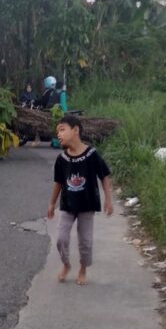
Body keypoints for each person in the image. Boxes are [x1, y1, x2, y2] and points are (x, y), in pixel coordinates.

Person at [47, 114, 113, 285]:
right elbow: (59, 182)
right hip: (68, 205)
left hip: (87, 204)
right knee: (61, 238)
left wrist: (108, 199)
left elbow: (104, 175)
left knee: (85, 241)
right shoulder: (61, 159)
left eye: (62, 130)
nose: (59, 134)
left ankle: (83, 269)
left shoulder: (91, 154)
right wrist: (52, 203)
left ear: (75, 130)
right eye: (57, 131)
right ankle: (66, 264)